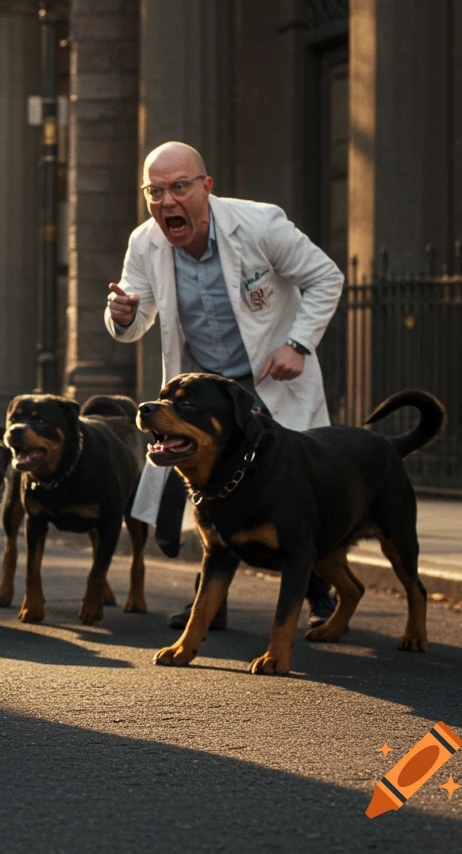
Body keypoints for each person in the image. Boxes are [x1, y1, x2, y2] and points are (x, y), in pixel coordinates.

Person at [105, 141, 345, 631]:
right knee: (212, 490)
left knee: (295, 491)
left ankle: (320, 593)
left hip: (271, 378)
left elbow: (326, 277)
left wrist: (297, 345)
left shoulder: (259, 225)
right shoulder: (145, 242)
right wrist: (121, 315)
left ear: (206, 187)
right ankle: (211, 604)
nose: (168, 201)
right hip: (206, 391)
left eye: (180, 187)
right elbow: (134, 319)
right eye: (156, 191)